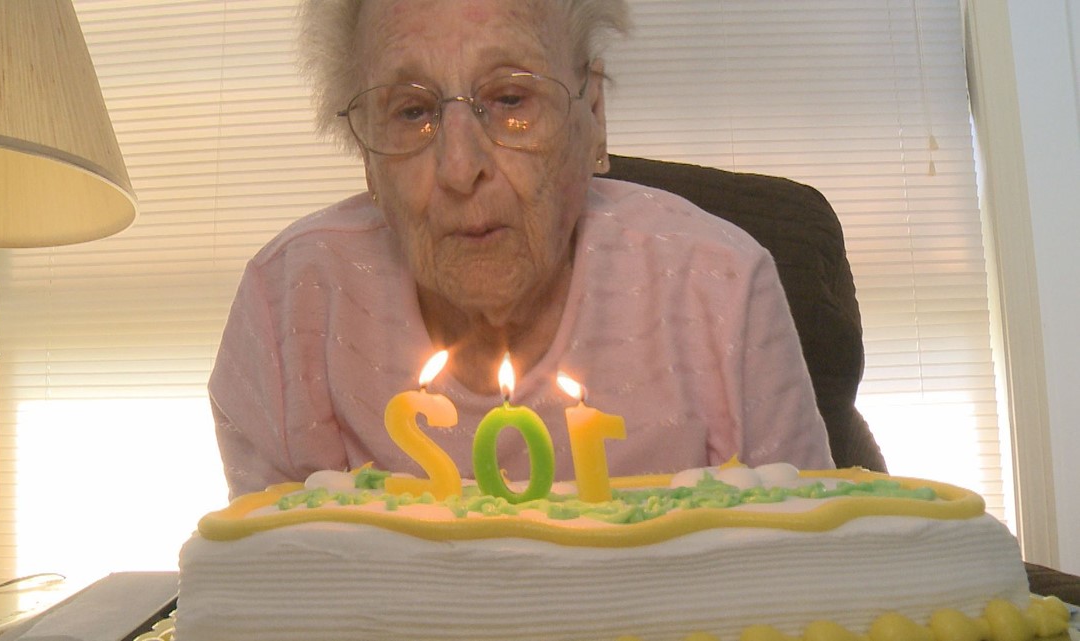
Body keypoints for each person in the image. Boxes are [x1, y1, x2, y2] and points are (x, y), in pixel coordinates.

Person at [209, 0, 834, 500]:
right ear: (367, 155)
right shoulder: (285, 308)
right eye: (411, 111)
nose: (460, 167)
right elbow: (277, 600)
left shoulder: (722, 289)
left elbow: (810, 582)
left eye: (511, 100)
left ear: (592, 114)